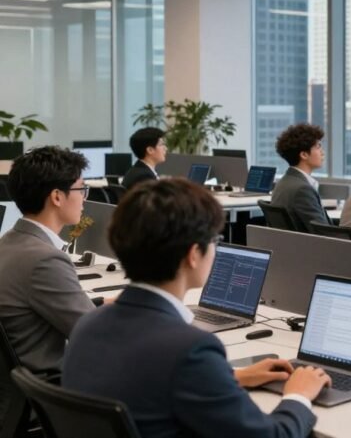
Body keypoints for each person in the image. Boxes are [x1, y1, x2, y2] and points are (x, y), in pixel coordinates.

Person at [63, 179, 330, 438]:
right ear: (193, 254)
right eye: (214, 240)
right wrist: (299, 395)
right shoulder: (190, 349)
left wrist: (232, 377)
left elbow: (151, 383)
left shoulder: (88, 324)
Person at [0, 146, 97, 374]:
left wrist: (103, 305)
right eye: (81, 189)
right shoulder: (44, 259)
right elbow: (95, 333)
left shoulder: (9, 241)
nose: (84, 198)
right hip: (51, 390)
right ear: (56, 196)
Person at [270, 123, 331, 232]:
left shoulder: (283, 182)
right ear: (304, 155)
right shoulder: (302, 190)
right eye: (318, 147)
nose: (322, 152)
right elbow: (324, 233)